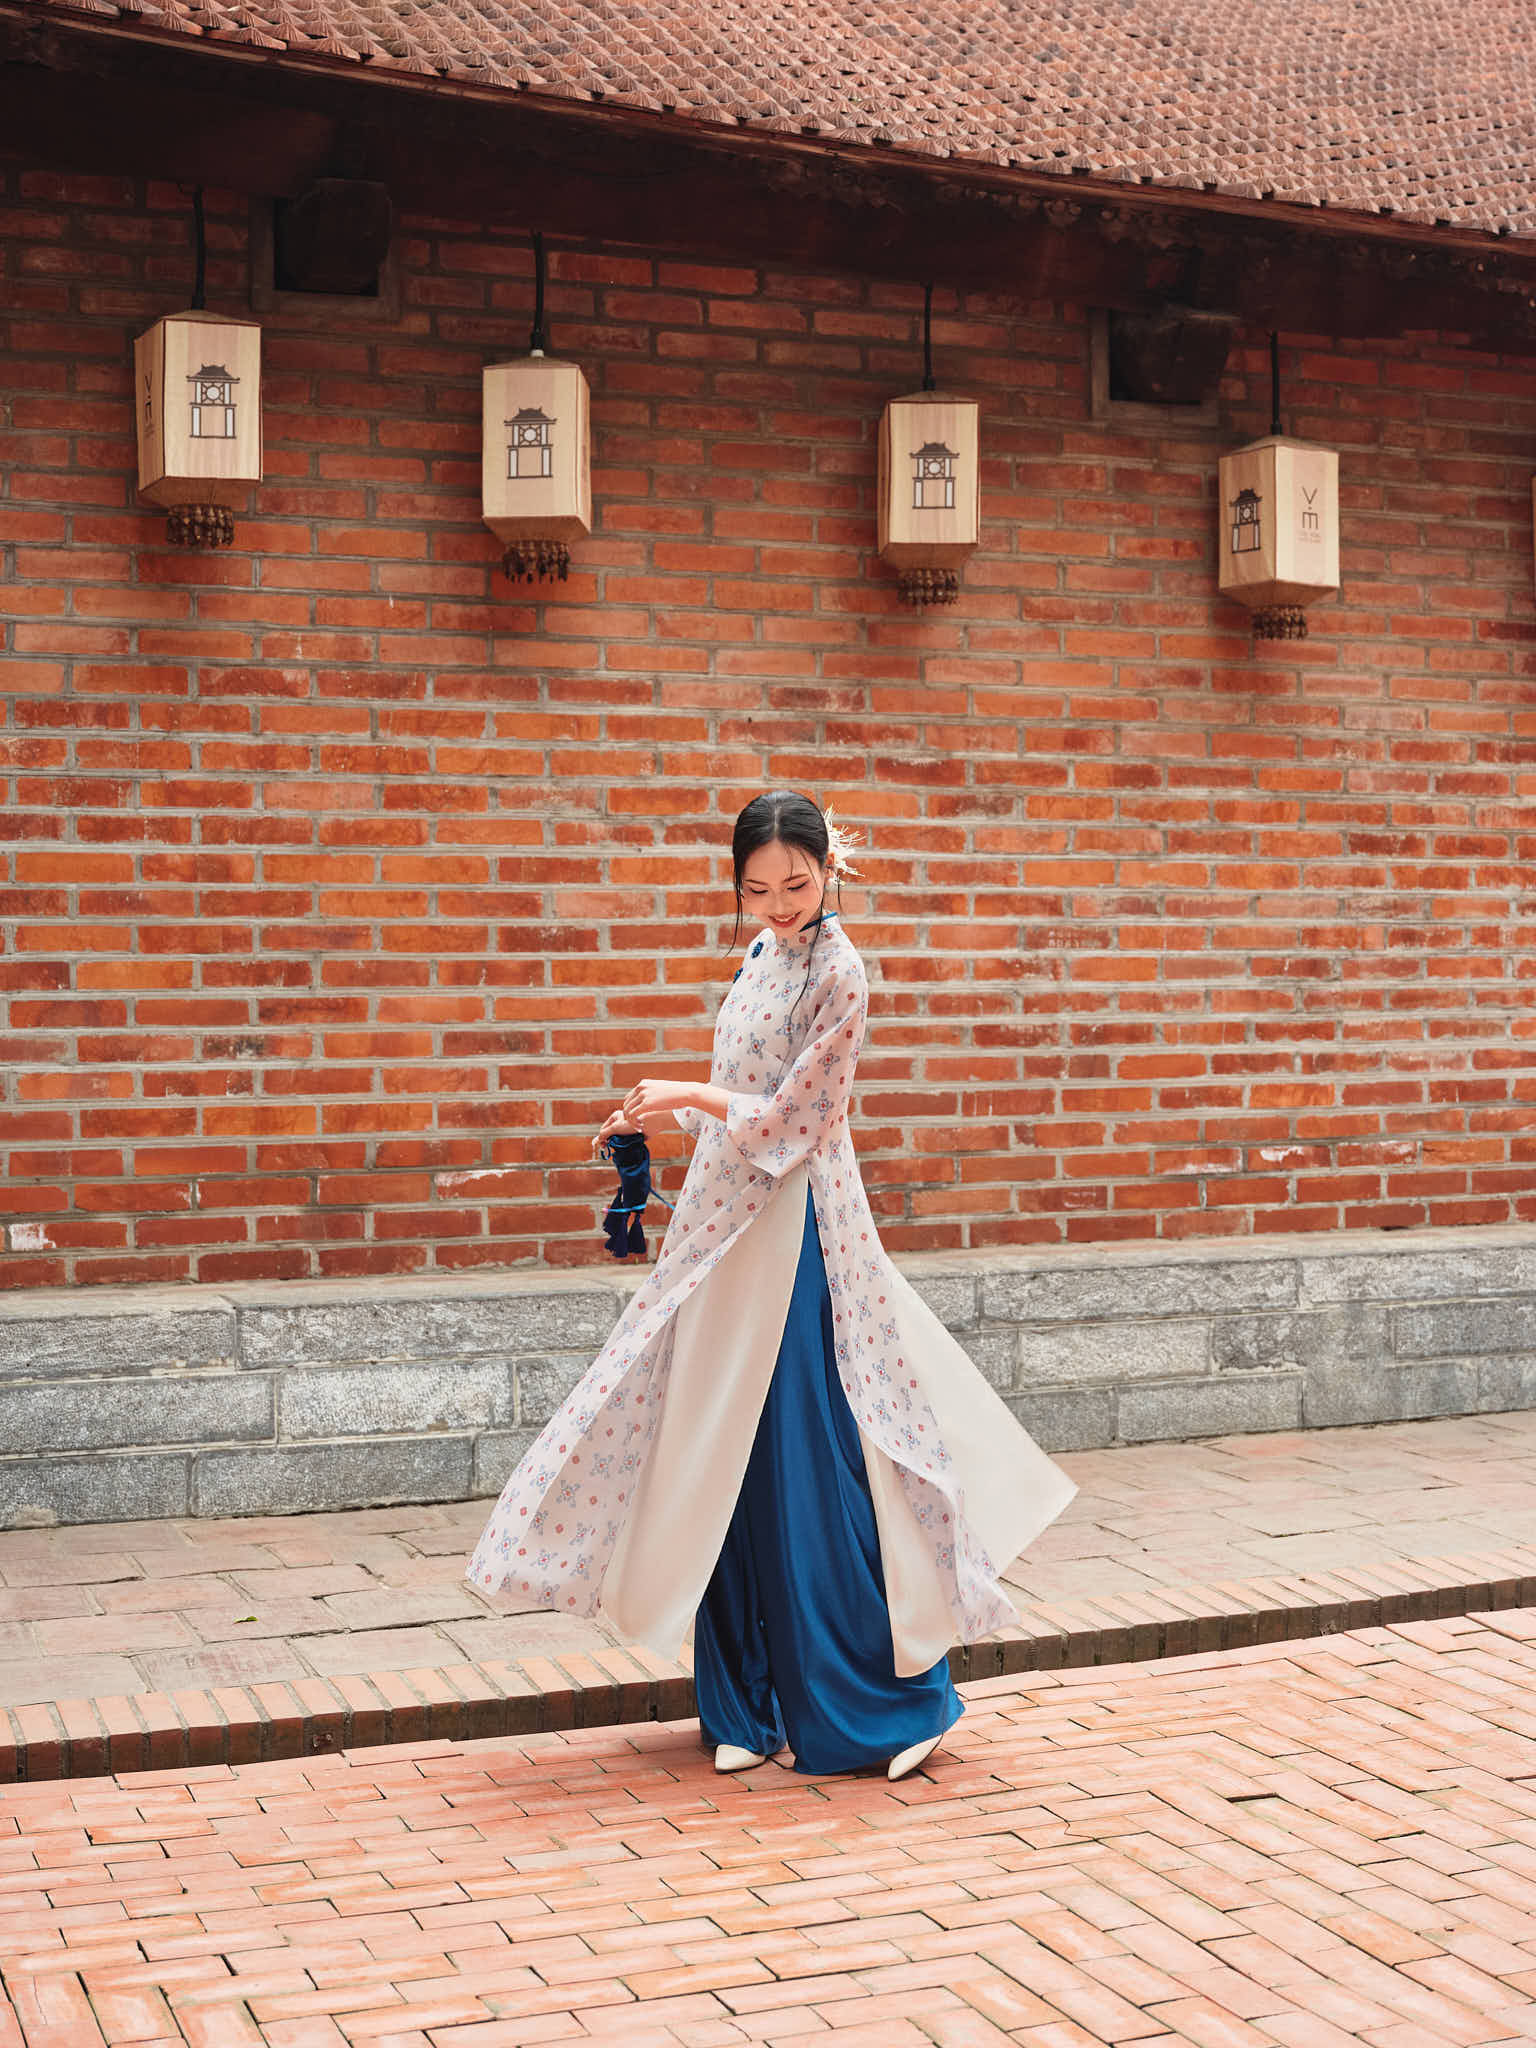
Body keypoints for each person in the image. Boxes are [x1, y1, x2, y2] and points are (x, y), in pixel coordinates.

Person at [467, 790, 1076, 1779]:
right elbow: (743, 1099)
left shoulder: (841, 972)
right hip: (722, 1230)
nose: (782, 903)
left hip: (797, 1233)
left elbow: (800, 1119)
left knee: (806, 1467)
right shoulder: (759, 956)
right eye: (759, 889)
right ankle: (748, 1704)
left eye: (798, 883)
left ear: (829, 869)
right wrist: (661, 1120)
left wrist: (689, 1092)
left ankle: (891, 1706)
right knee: (723, 1459)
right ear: (738, 887)